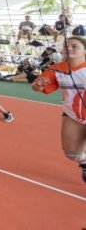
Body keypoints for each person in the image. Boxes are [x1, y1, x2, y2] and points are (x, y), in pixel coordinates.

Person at [31, 36, 86, 183]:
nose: (69, 48)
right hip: (73, 115)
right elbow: (37, 87)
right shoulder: (57, 68)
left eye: (75, 46)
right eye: (67, 46)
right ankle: (84, 162)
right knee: (71, 153)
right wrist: (39, 84)